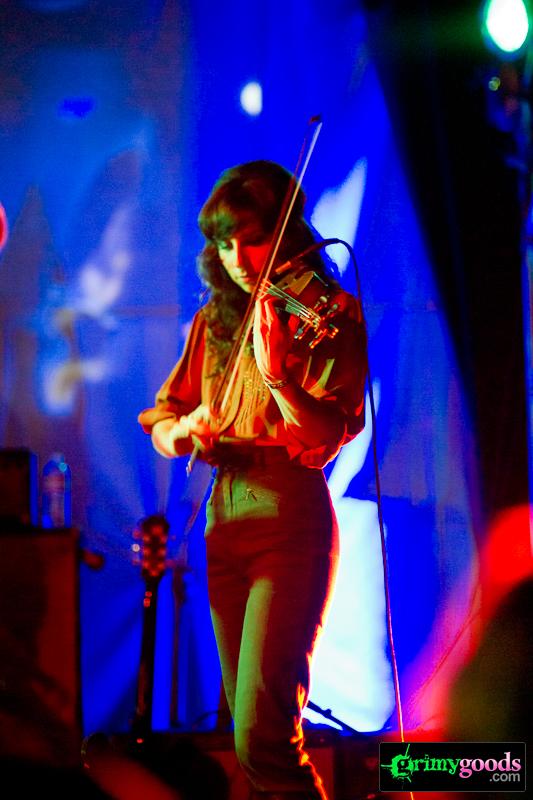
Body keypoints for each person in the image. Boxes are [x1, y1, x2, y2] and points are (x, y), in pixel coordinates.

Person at [138, 160, 367, 800]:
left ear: (286, 233)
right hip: (223, 519)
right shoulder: (214, 322)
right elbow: (162, 422)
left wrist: (277, 377)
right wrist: (184, 430)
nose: (238, 259)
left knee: (265, 737)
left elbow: (324, 437)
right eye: (224, 243)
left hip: (286, 514)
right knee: (246, 739)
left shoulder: (324, 313)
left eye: (253, 239)